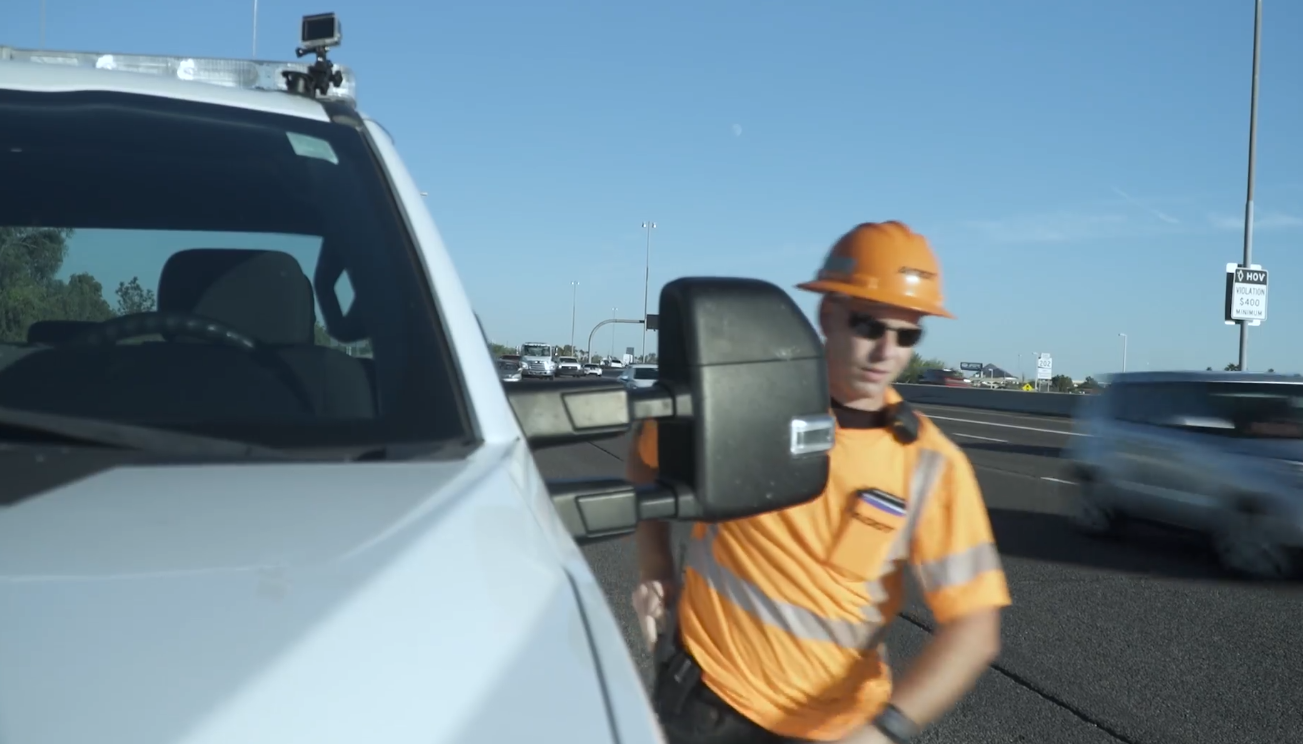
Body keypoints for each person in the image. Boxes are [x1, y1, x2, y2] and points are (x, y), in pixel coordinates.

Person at [628, 221, 1011, 744]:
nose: (887, 352)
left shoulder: (931, 466)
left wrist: (885, 731)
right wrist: (655, 567)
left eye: (908, 334)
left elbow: (975, 628)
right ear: (827, 313)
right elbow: (645, 456)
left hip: (841, 730)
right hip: (707, 704)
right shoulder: (740, 410)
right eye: (869, 326)